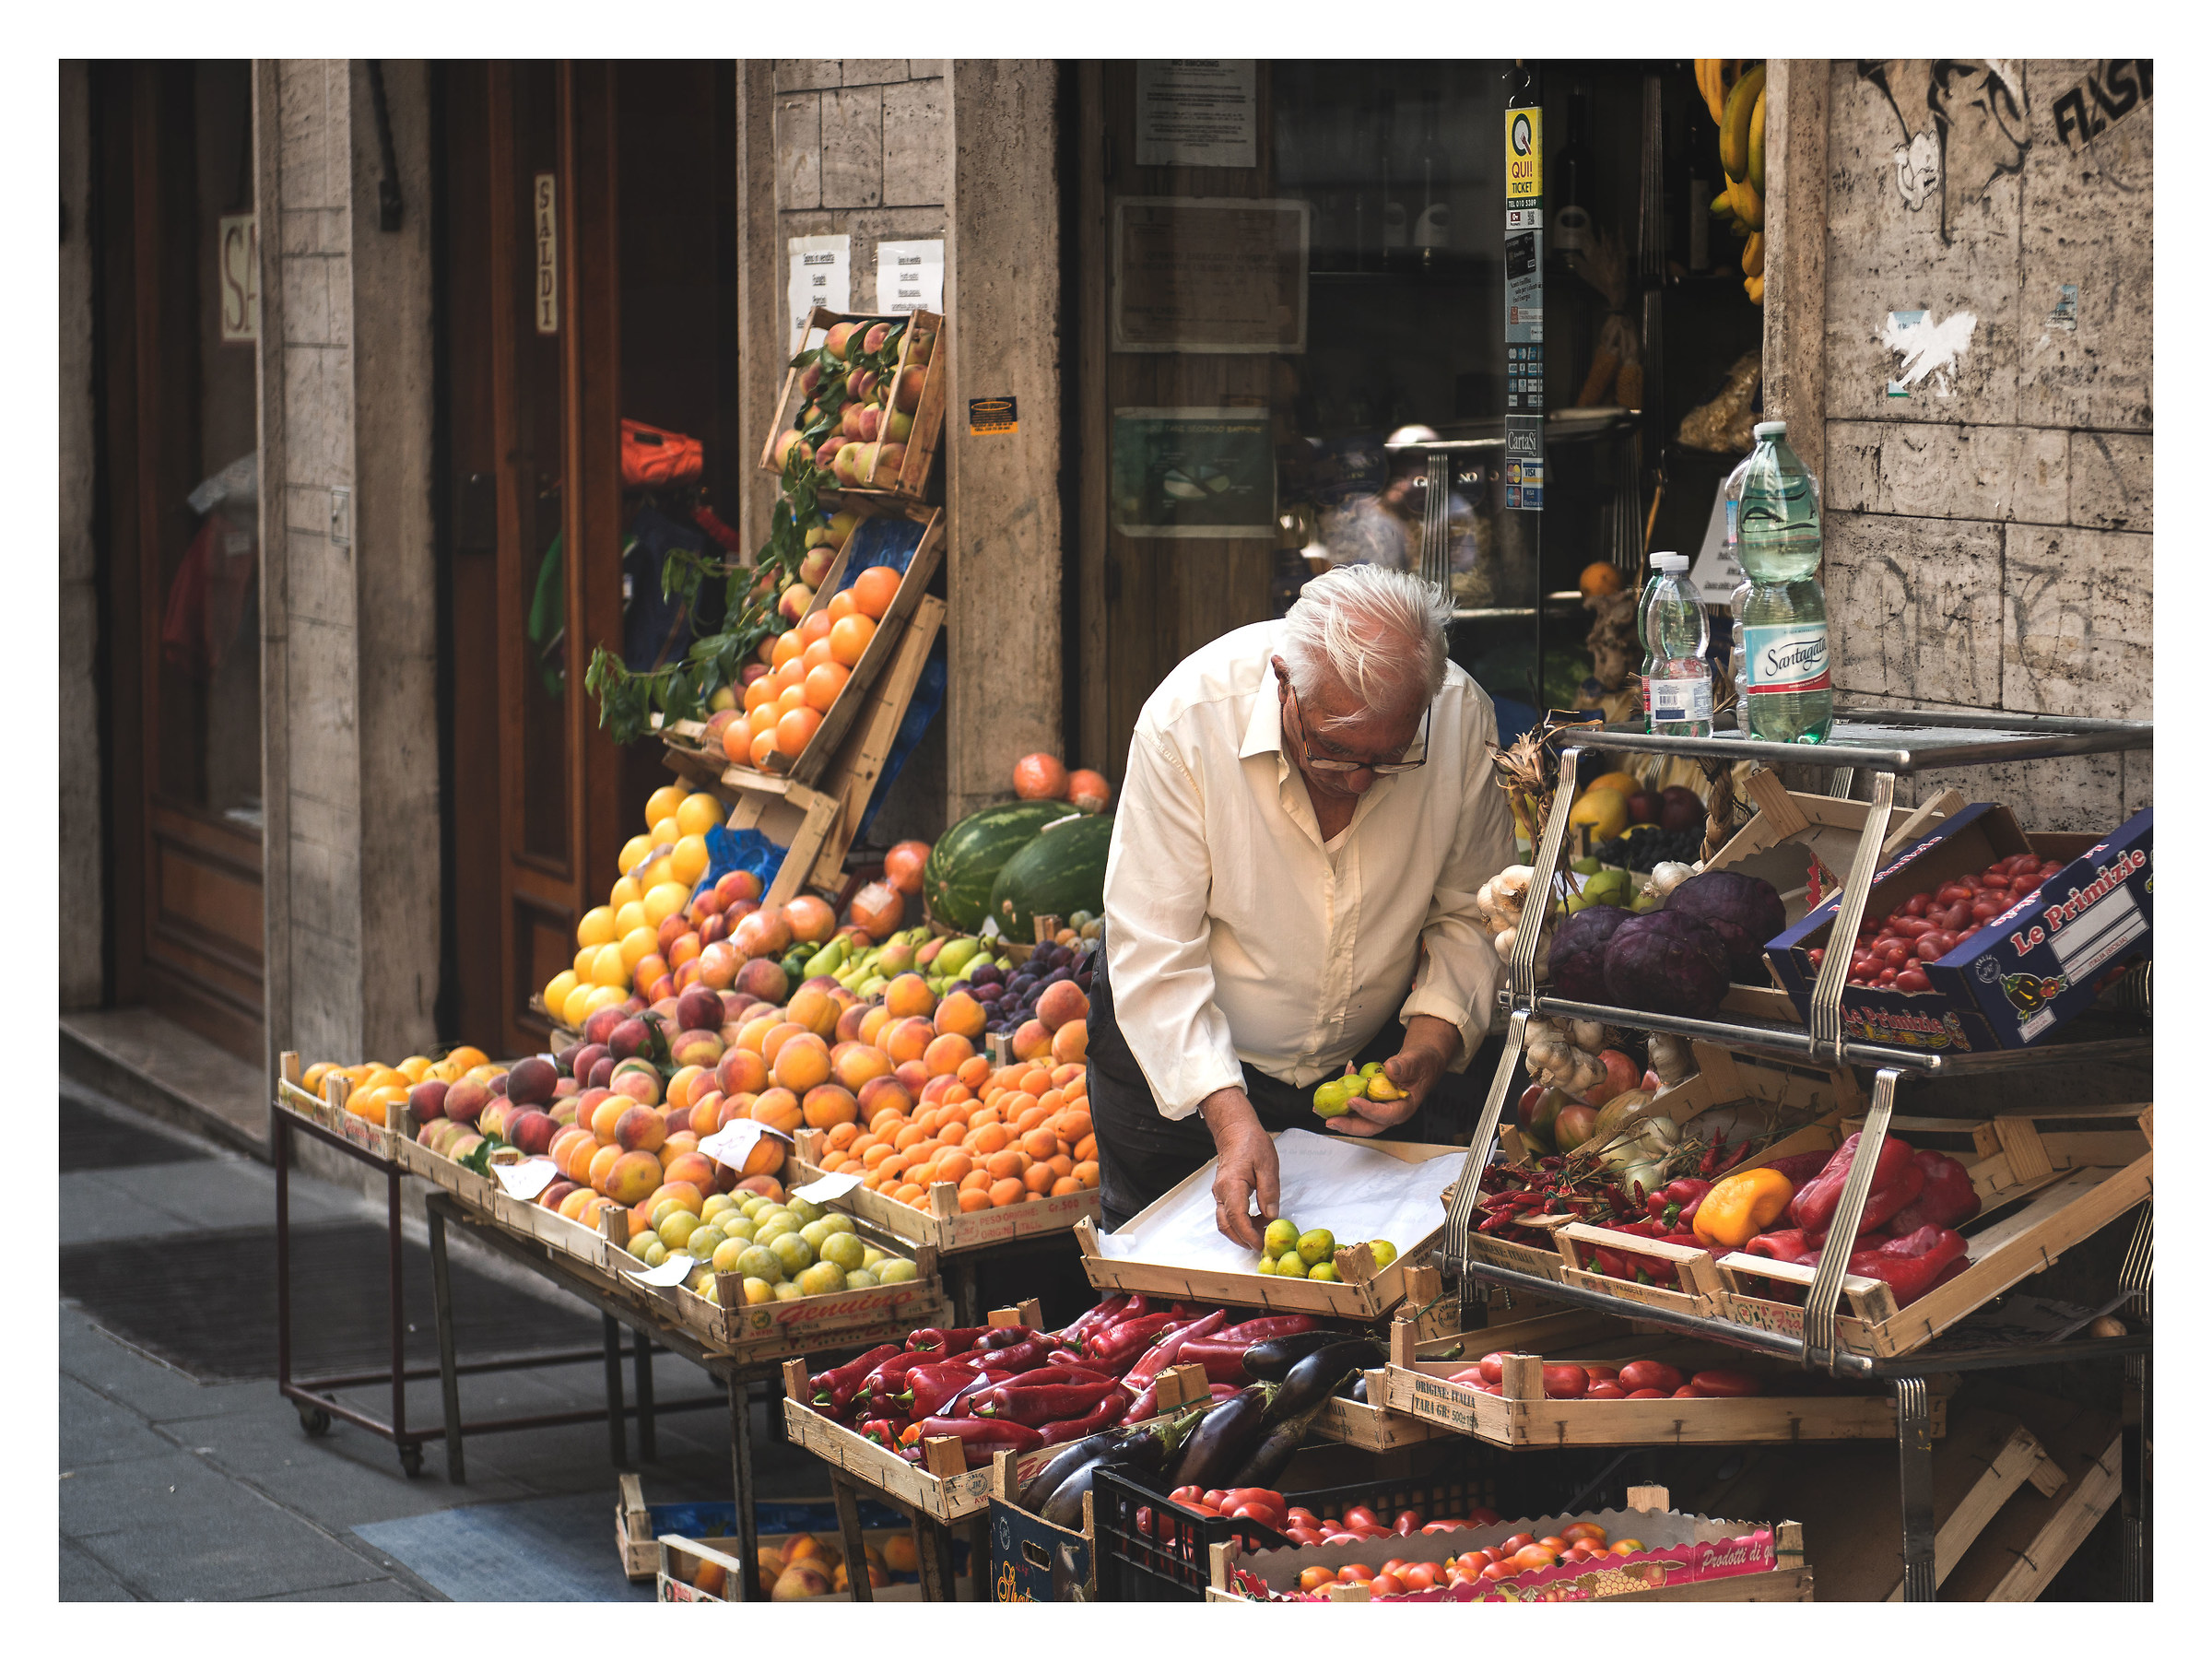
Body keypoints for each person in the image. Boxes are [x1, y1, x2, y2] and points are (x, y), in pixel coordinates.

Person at [1088, 564, 1516, 1246]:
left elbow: (1477, 913)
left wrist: (1427, 1052)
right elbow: (1154, 948)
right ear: (1284, 684)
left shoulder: (1460, 718)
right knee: (1165, 1293)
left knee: (1351, 1294)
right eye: (1334, 752)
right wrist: (1230, 1118)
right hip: (1177, 1068)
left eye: (1391, 758)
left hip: (1360, 1063)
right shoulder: (1187, 721)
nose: (1359, 781)